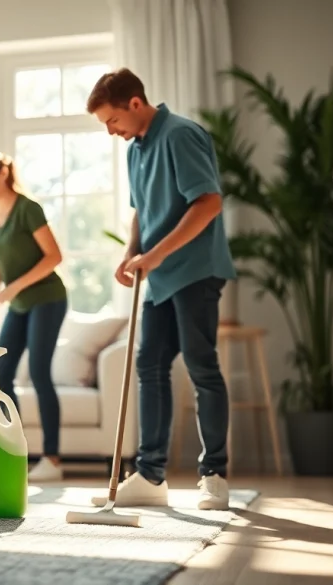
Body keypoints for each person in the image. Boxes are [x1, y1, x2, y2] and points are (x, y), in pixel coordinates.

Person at [85, 68, 236, 510]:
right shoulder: (136, 149)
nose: (111, 131)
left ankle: (214, 475)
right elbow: (142, 211)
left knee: (201, 365)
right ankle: (150, 476)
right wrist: (133, 253)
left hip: (195, 270)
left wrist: (156, 255)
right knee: (148, 364)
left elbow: (208, 202)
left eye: (112, 120)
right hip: (160, 278)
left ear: (134, 104)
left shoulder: (181, 135)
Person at [0, 149, 68, 483]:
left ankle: (52, 459)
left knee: (39, 372)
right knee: (2, 372)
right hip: (18, 303)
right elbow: (1, 259)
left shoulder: (28, 209)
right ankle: (16, 449)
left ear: (3, 174)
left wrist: (13, 289)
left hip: (47, 298)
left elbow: (54, 256)